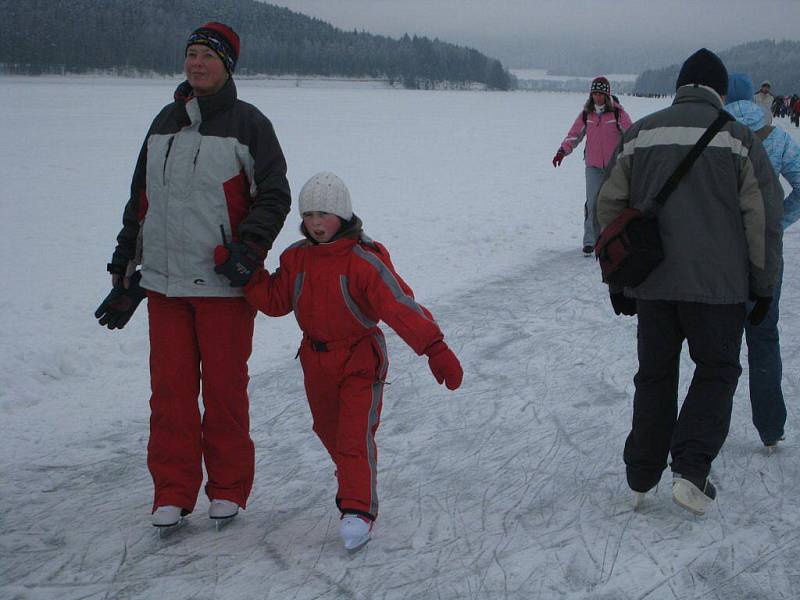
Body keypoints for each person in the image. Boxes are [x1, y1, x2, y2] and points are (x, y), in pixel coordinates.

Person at [101, 22, 291, 529]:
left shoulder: (249, 124)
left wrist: (247, 251)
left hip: (224, 287)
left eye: (207, 55)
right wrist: (125, 269)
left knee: (225, 393)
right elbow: (140, 201)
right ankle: (172, 491)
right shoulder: (164, 122)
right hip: (165, 285)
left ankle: (227, 488)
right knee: (169, 394)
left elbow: (274, 194)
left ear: (227, 65)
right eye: (191, 53)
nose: (196, 63)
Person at [596, 49, 783, 516]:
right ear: (719, 92)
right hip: (718, 289)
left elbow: (607, 206)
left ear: (681, 86)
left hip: (654, 285)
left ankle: (641, 474)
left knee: (655, 374)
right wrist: (763, 284)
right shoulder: (739, 138)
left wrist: (618, 280)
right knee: (716, 371)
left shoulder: (641, 132)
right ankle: (691, 470)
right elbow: (762, 217)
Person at [241, 172, 463, 551]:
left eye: (323, 214)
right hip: (316, 360)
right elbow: (277, 300)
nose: (315, 222)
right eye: (309, 214)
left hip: (360, 358)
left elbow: (399, 305)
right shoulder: (296, 257)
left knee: (353, 436)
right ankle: (355, 480)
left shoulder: (362, 261)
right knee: (329, 431)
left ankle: (357, 511)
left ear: (342, 215)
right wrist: (246, 273)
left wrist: (435, 348)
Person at [725, 73, 800, 451]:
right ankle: (771, 428)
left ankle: (709, 428)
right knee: (764, 335)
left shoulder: (715, 136)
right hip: (767, 253)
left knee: (719, 341)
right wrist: (778, 222)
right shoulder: (780, 138)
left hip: (722, 254)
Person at [552, 76, 632, 255]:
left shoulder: (618, 113)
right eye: (594, 93)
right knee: (593, 202)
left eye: (600, 94)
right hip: (593, 166)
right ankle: (590, 240)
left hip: (614, 167)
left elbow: (631, 133)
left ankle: (612, 237)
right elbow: (574, 135)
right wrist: (562, 151)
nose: (597, 97)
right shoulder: (586, 114)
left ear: (607, 94)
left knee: (614, 202)